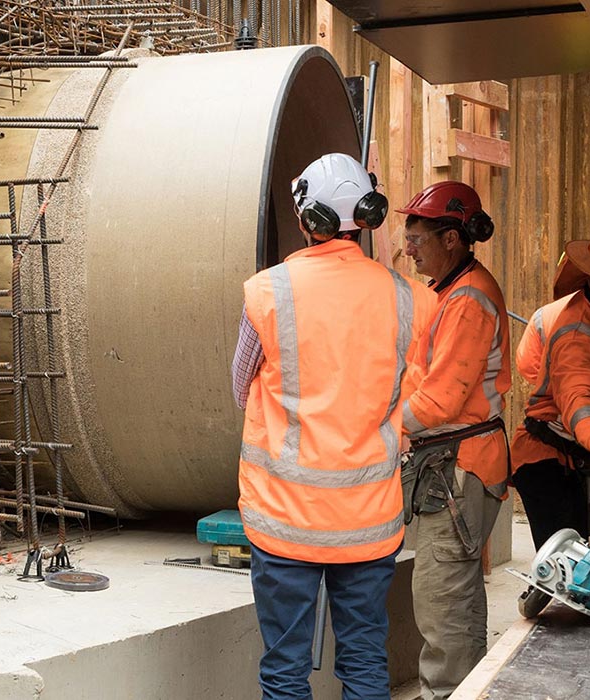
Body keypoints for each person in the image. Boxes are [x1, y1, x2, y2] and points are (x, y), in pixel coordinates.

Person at [232, 152, 436, 699]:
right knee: (366, 663)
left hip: (284, 521)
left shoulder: (267, 292)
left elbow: (239, 384)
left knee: (285, 669)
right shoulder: (409, 298)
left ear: (307, 218)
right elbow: (416, 385)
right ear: (365, 215)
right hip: (369, 523)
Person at [397, 181, 510, 700]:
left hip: (460, 463)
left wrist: (385, 429)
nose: (408, 247)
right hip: (455, 461)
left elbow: (440, 401)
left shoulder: (468, 298)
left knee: (442, 596)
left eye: (417, 236)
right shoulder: (452, 291)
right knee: (456, 595)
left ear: (452, 238)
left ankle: (448, 693)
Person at [511, 226, 590, 550]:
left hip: (583, 452)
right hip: (551, 459)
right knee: (571, 574)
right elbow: (578, 403)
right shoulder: (578, 334)